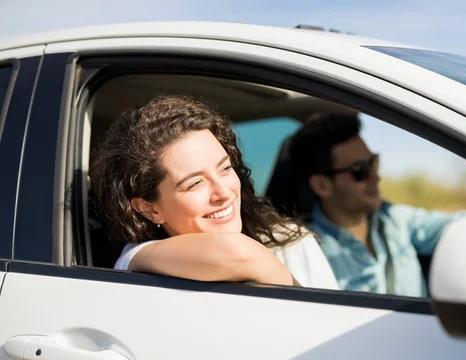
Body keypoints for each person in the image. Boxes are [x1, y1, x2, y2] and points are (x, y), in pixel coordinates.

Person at [89, 95, 339, 290]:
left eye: (225, 168)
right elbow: (242, 254)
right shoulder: (138, 261)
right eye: (195, 183)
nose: (223, 192)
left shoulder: (291, 241)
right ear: (149, 208)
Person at [288, 112, 466, 297]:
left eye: (373, 162)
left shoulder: (397, 220)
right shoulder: (305, 250)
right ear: (322, 185)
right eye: (360, 170)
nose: (376, 176)